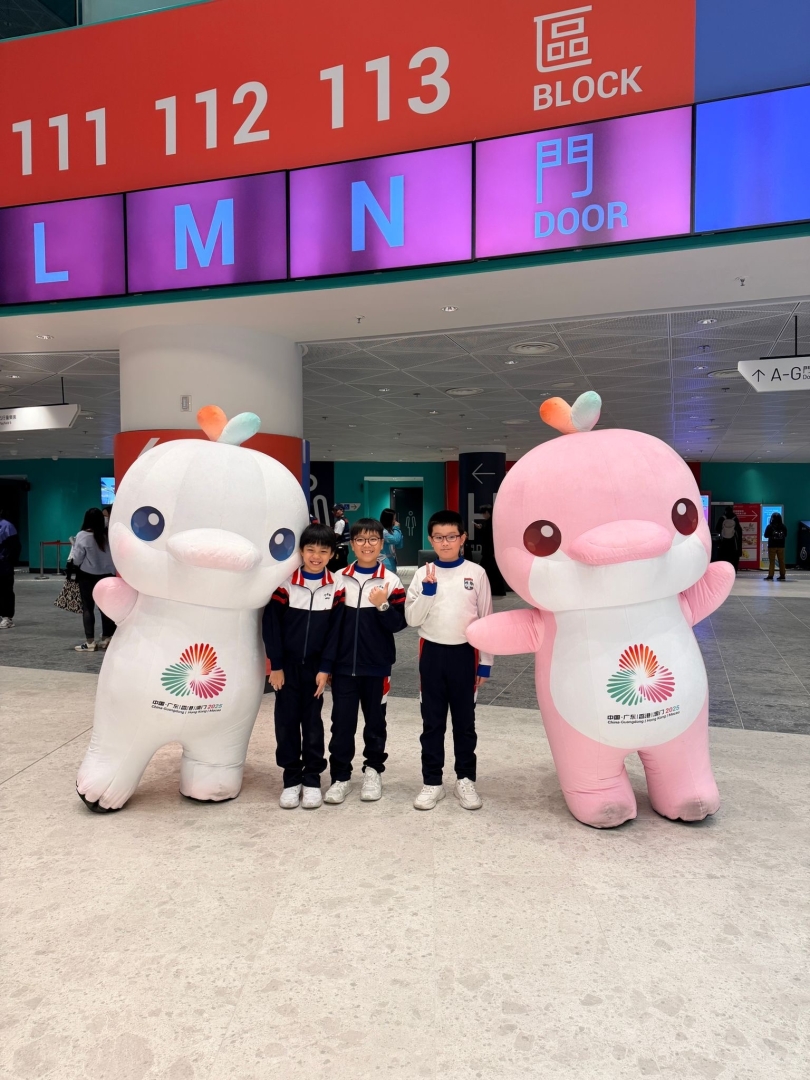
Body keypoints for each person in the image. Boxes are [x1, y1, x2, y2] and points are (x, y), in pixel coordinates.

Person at [405, 511, 494, 812]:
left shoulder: (476, 573)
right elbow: (412, 618)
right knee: (432, 723)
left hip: (465, 654)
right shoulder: (423, 574)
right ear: (431, 540)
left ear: (462, 538)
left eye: (451, 536)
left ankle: (465, 779)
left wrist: (486, 662)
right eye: (439, 537)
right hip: (432, 653)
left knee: (465, 723)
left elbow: (486, 619)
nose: (445, 542)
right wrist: (428, 592)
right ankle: (432, 782)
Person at [325, 518, 407, 805]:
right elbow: (330, 625)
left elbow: (399, 624)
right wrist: (328, 663)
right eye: (360, 539)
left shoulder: (390, 580)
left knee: (375, 723)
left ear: (382, 543)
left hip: (377, 666)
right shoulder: (339, 578)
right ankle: (340, 777)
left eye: (373, 539)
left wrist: (382, 604)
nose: (367, 545)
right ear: (352, 544)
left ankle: (373, 771)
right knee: (341, 724)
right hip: (343, 667)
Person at [263, 524, 344, 810]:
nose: (316, 556)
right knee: (286, 722)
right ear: (301, 551)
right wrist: (276, 665)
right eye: (310, 550)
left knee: (312, 724)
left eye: (323, 551)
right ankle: (291, 779)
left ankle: (311, 780)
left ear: (332, 554)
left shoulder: (336, 586)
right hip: (286, 668)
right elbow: (271, 625)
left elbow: (335, 632)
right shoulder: (286, 584)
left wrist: (325, 667)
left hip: (315, 669)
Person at [71, 508, 117, 651]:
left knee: (88, 608)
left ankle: (90, 642)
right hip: (107, 576)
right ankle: (106, 638)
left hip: (87, 576)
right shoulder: (107, 534)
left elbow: (77, 559)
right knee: (105, 608)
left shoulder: (82, 535)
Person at [475, 504, 507, 596]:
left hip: (490, 551)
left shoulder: (491, 523)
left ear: (487, 512)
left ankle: (492, 590)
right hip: (490, 551)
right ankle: (496, 590)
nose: (483, 516)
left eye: (483, 514)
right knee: (492, 571)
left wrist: (494, 551)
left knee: (489, 570)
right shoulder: (492, 522)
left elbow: (491, 538)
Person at [0, 507, 21, 630]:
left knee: (6, 590)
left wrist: (9, 561)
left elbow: (15, 546)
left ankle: (7, 617)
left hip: (4, 564)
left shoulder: (7, 526)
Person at [764, 511, 788, 581]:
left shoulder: (770, 527)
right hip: (781, 546)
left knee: (772, 561)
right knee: (781, 561)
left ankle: (771, 575)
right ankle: (782, 575)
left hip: (772, 546)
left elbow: (765, 535)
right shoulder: (783, 526)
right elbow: (786, 535)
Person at [718, 506, 742, 572]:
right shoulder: (735, 519)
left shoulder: (722, 518)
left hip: (724, 542)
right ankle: (733, 571)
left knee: (724, 557)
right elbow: (739, 531)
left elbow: (717, 528)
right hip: (733, 543)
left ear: (725, 511)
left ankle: (724, 571)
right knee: (733, 558)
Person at [379, 508, 403, 573]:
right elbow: (395, 540)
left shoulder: (391, 531)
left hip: (392, 560)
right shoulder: (382, 532)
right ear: (388, 519)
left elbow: (399, 545)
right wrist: (397, 528)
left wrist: (398, 532)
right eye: (394, 519)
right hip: (384, 561)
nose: (395, 521)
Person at [329, 505, 349, 571]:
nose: (334, 512)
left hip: (340, 548)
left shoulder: (340, 522)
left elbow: (336, 535)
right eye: (333, 510)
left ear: (341, 511)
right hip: (343, 548)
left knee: (337, 567)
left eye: (336, 510)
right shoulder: (343, 520)